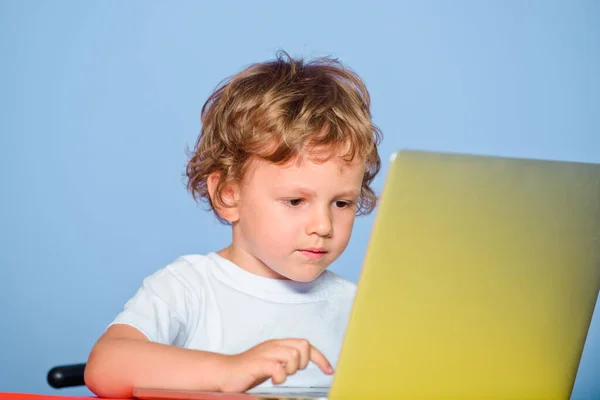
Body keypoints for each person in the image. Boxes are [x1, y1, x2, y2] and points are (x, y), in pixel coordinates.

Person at [84, 51, 382, 398]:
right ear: (229, 196)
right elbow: (105, 366)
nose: (323, 225)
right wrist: (229, 370)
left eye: (342, 203)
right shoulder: (190, 288)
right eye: (296, 201)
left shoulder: (359, 308)